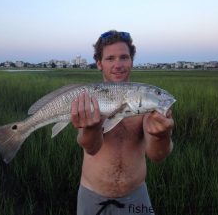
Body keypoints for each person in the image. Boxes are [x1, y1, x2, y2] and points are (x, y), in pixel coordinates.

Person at [71, 30, 174, 215]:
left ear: (132, 61)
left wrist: (162, 134)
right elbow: (91, 148)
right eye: (110, 58)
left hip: (136, 195)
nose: (118, 65)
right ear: (99, 63)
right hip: (92, 196)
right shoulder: (89, 100)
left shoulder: (145, 103)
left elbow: (157, 156)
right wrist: (92, 128)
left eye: (124, 57)